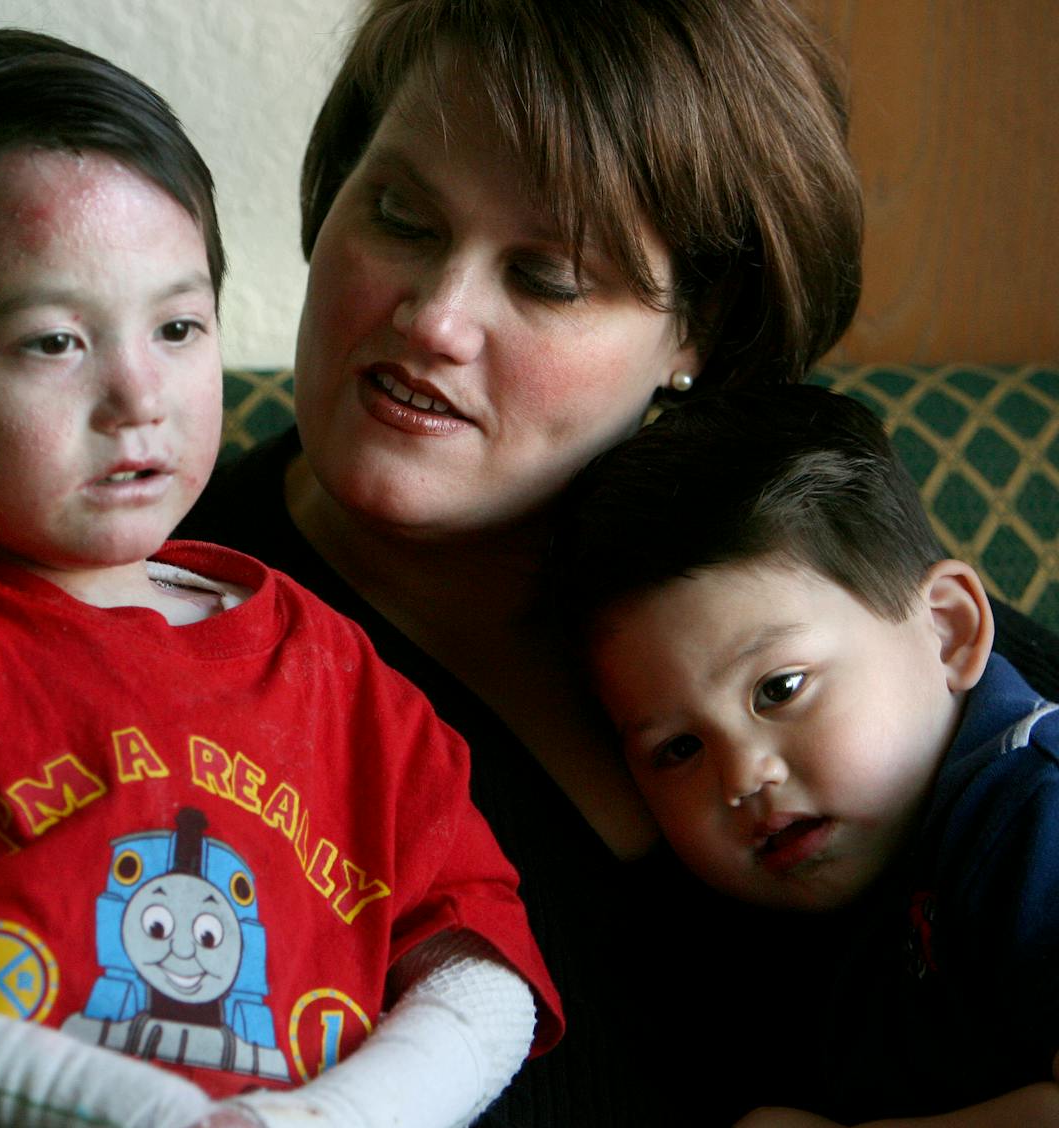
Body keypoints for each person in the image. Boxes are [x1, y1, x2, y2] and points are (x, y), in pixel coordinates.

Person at [0, 28, 565, 1128]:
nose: (139, 396)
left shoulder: (340, 673)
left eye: (177, 326)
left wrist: (314, 1122)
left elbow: (481, 980)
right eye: (52, 342)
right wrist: (89, 1104)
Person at [176, 0, 1059, 1122]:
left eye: (546, 277)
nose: (435, 319)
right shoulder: (156, 616)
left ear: (698, 333)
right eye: (400, 218)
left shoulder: (769, 554)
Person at [554, 383, 1059, 1125]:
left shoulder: (1034, 810)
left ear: (947, 631)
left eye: (780, 689)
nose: (743, 776)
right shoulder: (829, 891)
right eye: (679, 748)